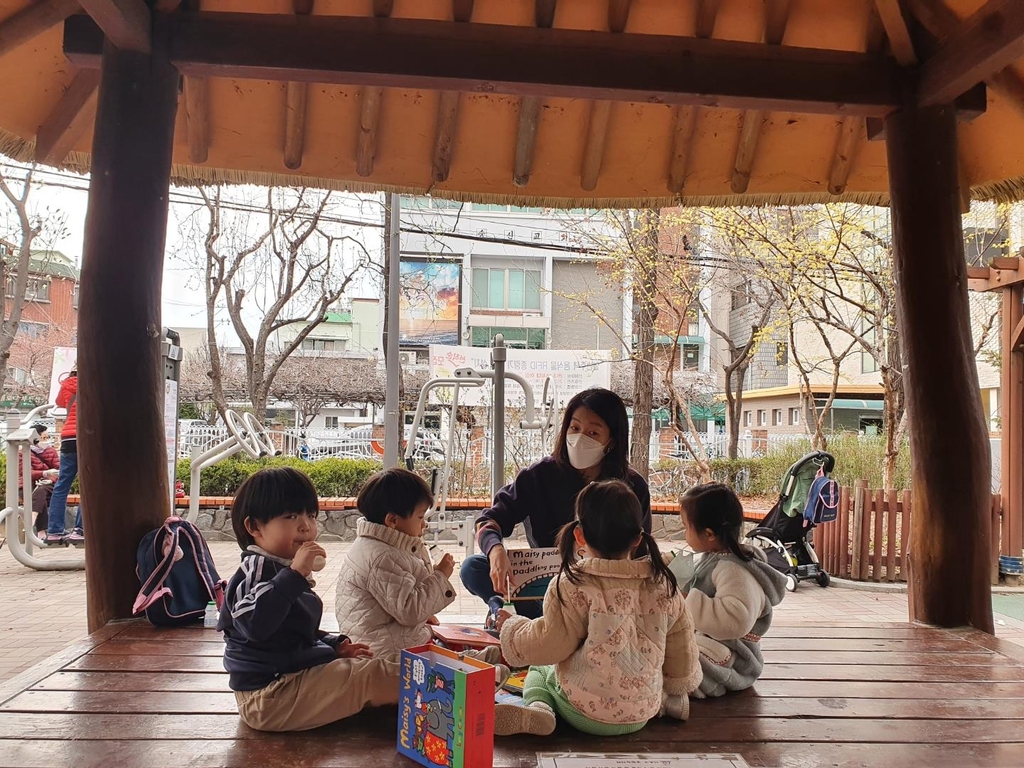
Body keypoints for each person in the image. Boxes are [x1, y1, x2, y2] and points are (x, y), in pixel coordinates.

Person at [492, 480, 701, 737]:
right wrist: (677, 686)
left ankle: (540, 710)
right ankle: (669, 703)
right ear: (638, 538)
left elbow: (549, 644)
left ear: (579, 535)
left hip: (584, 711)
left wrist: (513, 629)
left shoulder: (574, 583)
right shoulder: (664, 584)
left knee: (539, 670)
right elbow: (682, 647)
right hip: (641, 713)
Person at [220, 466, 401, 732]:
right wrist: (294, 575)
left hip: (291, 682)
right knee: (369, 677)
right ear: (254, 526)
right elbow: (254, 625)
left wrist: (333, 644)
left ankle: (451, 680)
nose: (305, 525)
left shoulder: (283, 571)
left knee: (369, 668)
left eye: (311, 515)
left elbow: (293, 630)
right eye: (291, 516)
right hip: (268, 697)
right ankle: (449, 692)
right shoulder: (256, 570)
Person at [461, 387, 651, 620]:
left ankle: (535, 623)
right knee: (473, 567)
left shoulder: (631, 486)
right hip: (542, 584)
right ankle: (510, 609)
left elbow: (642, 552)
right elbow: (488, 520)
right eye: (575, 428)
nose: (580, 437)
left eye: (593, 433)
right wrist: (495, 550)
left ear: (611, 441)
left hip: (604, 590)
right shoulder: (538, 475)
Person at [334, 468, 460, 657]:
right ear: (392, 520)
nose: (424, 524)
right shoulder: (382, 557)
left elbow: (399, 598)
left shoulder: (384, 546)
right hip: (384, 653)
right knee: (443, 664)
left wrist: (424, 615)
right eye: (420, 517)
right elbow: (409, 610)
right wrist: (440, 577)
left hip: (384, 639)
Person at [679, 483, 787, 698]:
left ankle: (673, 696)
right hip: (713, 644)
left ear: (709, 534)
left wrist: (687, 599)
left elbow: (735, 620)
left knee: (677, 661)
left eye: (685, 526)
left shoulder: (734, 570)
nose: (684, 533)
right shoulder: (715, 558)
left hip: (735, 659)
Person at [45, 367, 82, 545]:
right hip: (85, 437)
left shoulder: (67, 385)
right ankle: (80, 529)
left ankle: (54, 531)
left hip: (67, 437)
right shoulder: (94, 381)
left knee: (62, 485)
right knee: (88, 485)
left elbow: (60, 402)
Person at [20, 424, 59, 533]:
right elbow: (25, 472)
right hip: (28, 484)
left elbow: (59, 470)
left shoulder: (51, 451)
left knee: (41, 490)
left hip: (48, 485)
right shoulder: (23, 451)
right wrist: (44, 473)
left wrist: (51, 479)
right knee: (40, 498)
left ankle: (32, 517)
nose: (46, 440)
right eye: (43, 437)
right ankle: (41, 532)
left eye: (48, 437)